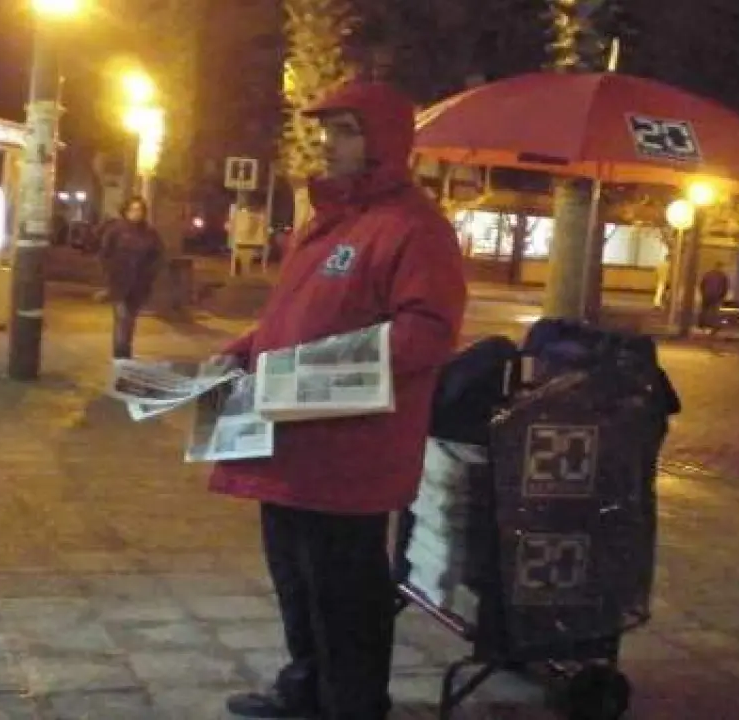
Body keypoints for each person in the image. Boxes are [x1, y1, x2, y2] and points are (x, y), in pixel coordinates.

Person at [210, 80, 468, 720]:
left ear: (385, 140)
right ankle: (305, 688)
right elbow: (290, 315)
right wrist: (242, 351)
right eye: (326, 130)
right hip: (286, 444)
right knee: (296, 585)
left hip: (348, 458)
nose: (328, 143)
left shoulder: (416, 229)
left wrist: (313, 375)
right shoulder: (326, 221)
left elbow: (426, 334)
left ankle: (353, 705)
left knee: (346, 599)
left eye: (347, 130)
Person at [99, 197, 162, 359]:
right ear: (126, 211)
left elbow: (157, 256)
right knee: (122, 318)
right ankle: (120, 354)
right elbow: (105, 254)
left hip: (139, 285)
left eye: (139, 210)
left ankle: (125, 351)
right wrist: (109, 275)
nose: (136, 213)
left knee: (130, 320)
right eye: (133, 209)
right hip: (119, 283)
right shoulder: (116, 230)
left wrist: (149, 275)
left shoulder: (149, 233)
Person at [698, 262, 730, 328]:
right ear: (721, 267)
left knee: (704, 310)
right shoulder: (723, 276)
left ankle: (702, 323)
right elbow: (725, 287)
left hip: (707, 294)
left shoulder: (708, 274)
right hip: (717, 296)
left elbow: (702, 284)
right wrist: (722, 295)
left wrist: (703, 293)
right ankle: (713, 324)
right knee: (714, 311)